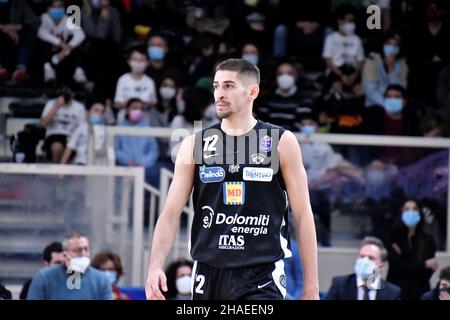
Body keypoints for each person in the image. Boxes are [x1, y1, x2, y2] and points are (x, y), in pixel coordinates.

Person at [145, 58, 319, 300]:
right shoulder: (195, 143)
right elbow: (170, 213)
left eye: (228, 86)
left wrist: (311, 287)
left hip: (261, 272)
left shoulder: (281, 141)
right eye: (216, 86)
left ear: (252, 91)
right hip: (208, 270)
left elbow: (302, 214)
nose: (220, 93)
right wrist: (154, 267)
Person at [27, 232, 112, 300]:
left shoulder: (101, 281)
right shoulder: (44, 278)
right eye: (78, 250)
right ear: (65, 254)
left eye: (86, 249)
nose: (83, 254)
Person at [387, 199, 438, 300]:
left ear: (419, 212)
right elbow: (397, 267)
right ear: (401, 212)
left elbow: (428, 272)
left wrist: (408, 263)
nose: (411, 212)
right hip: (397, 291)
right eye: (407, 209)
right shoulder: (393, 237)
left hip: (420, 291)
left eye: (414, 209)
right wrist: (423, 264)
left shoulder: (427, 240)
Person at [325, 236, 401, 300]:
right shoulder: (340, 285)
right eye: (362, 256)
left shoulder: (392, 293)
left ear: (381, 266)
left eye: (371, 258)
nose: (365, 261)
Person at [41, 86, 87, 163]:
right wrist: (56, 106)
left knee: (74, 146)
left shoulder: (79, 107)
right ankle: (58, 168)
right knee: (57, 147)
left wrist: (73, 136)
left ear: (73, 94)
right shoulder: (51, 103)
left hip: (71, 135)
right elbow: (43, 124)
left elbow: (82, 127)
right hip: (54, 135)